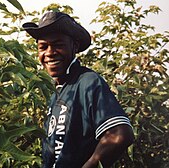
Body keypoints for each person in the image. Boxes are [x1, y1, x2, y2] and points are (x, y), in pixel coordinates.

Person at [23, 11, 134, 168]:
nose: (49, 53)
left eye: (58, 45)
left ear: (74, 46)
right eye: (43, 47)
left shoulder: (87, 82)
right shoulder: (56, 93)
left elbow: (119, 134)